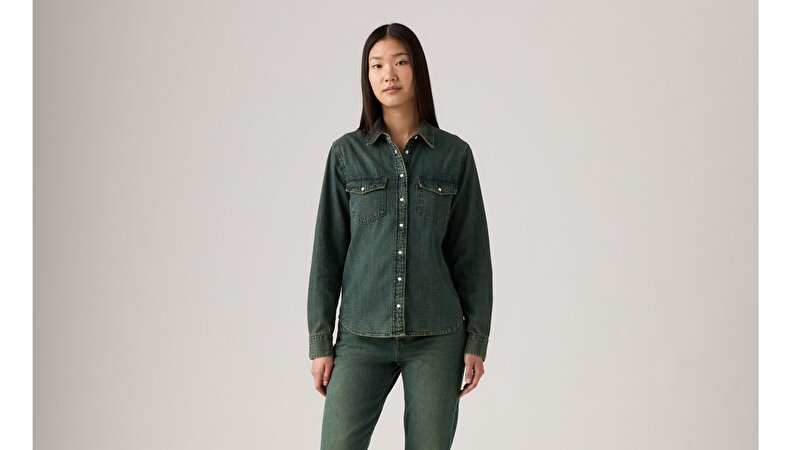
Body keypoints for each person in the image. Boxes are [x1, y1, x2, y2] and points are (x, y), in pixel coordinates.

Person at [306, 22, 493, 450]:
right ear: (367, 77)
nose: (388, 74)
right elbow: (327, 254)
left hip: (438, 336)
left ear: (417, 70)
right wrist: (320, 342)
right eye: (376, 65)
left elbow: (472, 256)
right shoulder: (346, 155)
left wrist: (477, 340)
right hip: (360, 334)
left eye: (399, 62)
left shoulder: (455, 155)